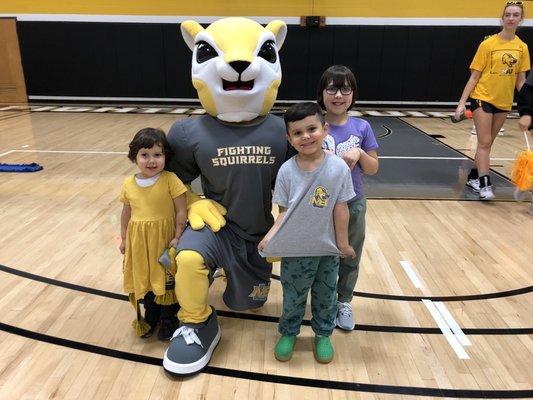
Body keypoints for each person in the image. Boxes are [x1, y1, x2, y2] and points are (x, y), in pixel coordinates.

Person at [163, 17, 290, 375]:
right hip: (215, 227)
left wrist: (287, 226)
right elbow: (170, 180)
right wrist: (192, 200)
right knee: (187, 259)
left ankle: (236, 280)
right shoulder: (188, 132)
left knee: (249, 305)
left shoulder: (283, 130)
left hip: (257, 232)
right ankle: (198, 321)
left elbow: (303, 182)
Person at [258, 102, 356, 363]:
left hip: (326, 251)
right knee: (293, 295)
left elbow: (341, 207)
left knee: (326, 295)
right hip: (295, 251)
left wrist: (344, 244)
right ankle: (289, 332)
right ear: (289, 138)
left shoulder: (338, 168)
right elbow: (283, 213)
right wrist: (270, 237)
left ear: (324, 129)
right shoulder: (287, 171)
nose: (306, 136)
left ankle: (323, 334)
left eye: (311, 129)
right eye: (297, 133)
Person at [316, 65, 379, 330]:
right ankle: (322, 301)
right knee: (320, 255)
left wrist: (360, 154)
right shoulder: (315, 124)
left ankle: (343, 301)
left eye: (345, 89)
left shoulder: (361, 127)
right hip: (318, 203)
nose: (338, 95)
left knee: (349, 254)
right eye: (331, 88)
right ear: (322, 93)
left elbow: (373, 168)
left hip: (352, 203)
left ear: (353, 94)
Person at [454, 1, 530, 200]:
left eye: (515, 15)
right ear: (502, 18)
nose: (511, 18)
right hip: (482, 97)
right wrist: (462, 103)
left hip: (504, 102)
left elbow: (521, 81)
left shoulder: (522, 48)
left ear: (521, 19)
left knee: (487, 144)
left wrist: (528, 108)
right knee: (485, 142)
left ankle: (474, 176)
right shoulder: (488, 44)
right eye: (508, 14)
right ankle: (485, 185)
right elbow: (474, 76)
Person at [119, 128, 187, 341]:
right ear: (134, 157)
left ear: (165, 156)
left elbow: (181, 210)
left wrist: (178, 235)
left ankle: (169, 317)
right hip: (139, 242)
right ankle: (151, 313)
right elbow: (126, 213)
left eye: (157, 155)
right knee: (146, 278)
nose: (151, 161)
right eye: (144, 155)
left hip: (164, 240)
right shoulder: (128, 183)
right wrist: (124, 238)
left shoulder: (170, 179)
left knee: (165, 279)